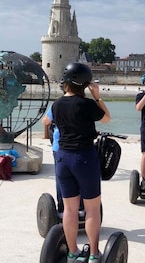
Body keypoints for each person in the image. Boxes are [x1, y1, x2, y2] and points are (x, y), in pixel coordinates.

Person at [52, 62, 111, 263]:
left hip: (62, 158)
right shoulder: (86, 105)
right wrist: (97, 96)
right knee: (92, 208)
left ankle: (72, 251)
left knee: (69, 209)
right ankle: (94, 253)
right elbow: (106, 118)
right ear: (85, 84)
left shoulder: (56, 104)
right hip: (83, 157)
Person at [42, 105, 64, 212]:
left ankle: (62, 206)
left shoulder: (57, 105)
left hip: (60, 147)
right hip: (81, 148)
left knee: (61, 178)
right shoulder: (86, 103)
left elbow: (45, 121)